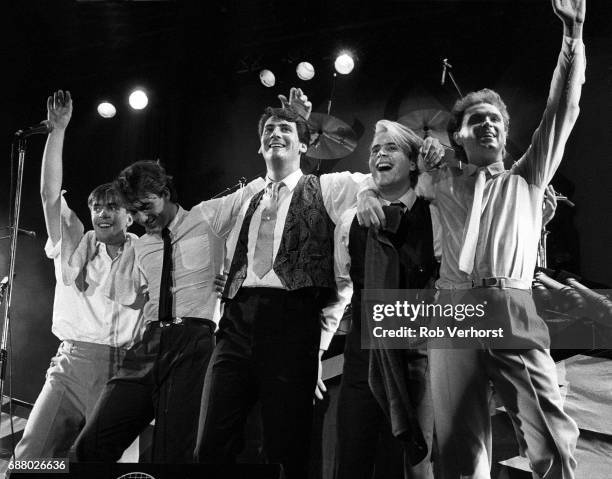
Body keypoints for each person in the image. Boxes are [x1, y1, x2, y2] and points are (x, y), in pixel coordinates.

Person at [361, 1, 586, 477]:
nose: (487, 123)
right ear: (458, 136)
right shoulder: (441, 178)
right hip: (453, 311)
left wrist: (572, 38)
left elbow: (561, 110)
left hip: (510, 306)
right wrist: (368, 186)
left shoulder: (529, 177)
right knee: (462, 455)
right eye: (475, 120)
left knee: (551, 443)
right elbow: (387, 160)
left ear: (505, 136)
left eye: (495, 120)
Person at [194, 91, 387, 478]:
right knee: (211, 443)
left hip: (293, 323)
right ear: (259, 143)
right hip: (236, 323)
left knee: (286, 446)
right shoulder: (245, 195)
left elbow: (379, 177)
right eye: (269, 128)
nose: (275, 133)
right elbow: (193, 220)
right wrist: (224, 275)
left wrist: (366, 193)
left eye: (285, 129)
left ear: (304, 144)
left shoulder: (327, 187)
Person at [74, 161, 264, 462]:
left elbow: (267, 185)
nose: (141, 218)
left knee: (172, 455)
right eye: (133, 212)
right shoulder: (139, 246)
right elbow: (128, 297)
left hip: (195, 343)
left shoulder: (208, 216)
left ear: (164, 192)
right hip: (147, 345)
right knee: (89, 447)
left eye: (146, 206)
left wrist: (240, 272)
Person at [14, 90, 145, 461]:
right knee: (31, 462)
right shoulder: (73, 246)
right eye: (97, 207)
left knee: (110, 469)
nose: (103, 214)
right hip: (71, 365)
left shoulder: (149, 254)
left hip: (124, 370)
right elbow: (48, 196)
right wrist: (58, 132)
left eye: (113, 207)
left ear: (130, 216)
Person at [334, 120, 440, 479]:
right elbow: (342, 283)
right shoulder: (350, 221)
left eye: (390, 148)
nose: (379, 154)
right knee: (352, 458)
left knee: (414, 464)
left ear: (413, 163)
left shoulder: (436, 212)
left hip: (418, 354)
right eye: (375, 150)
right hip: (363, 355)